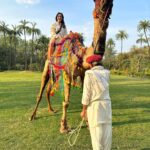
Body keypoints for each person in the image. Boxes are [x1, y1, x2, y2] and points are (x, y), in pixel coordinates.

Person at [80, 54, 112, 150]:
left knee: (96, 134)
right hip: (106, 104)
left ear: (90, 65)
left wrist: (83, 110)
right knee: (107, 131)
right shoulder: (107, 73)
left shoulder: (89, 74)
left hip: (95, 106)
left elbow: (86, 94)